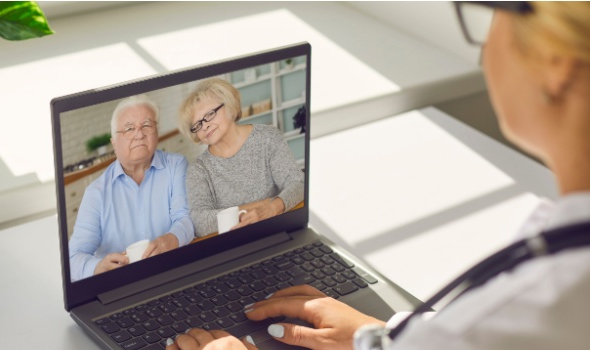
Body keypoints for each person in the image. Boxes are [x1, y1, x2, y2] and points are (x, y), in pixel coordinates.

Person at [167, 2, 590, 349]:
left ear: (554, 62)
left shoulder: (530, 304)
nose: (204, 126)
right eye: (196, 124)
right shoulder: (555, 267)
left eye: (492, 11)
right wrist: (378, 340)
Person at [69, 95, 195, 282]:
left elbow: (186, 217)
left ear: (156, 132)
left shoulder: (176, 166)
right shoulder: (96, 193)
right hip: (123, 285)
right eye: (129, 128)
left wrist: (173, 238)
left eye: (147, 125)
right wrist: (97, 267)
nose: (139, 134)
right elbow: (73, 258)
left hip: (174, 273)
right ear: (114, 143)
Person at [178, 78, 305, 237]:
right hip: (232, 247)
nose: (205, 126)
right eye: (197, 125)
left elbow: (298, 183)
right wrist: (261, 205)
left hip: (277, 232)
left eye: (210, 114)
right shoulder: (198, 170)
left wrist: (273, 207)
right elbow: (199, 223)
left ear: (230, 106)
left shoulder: (267, 138)